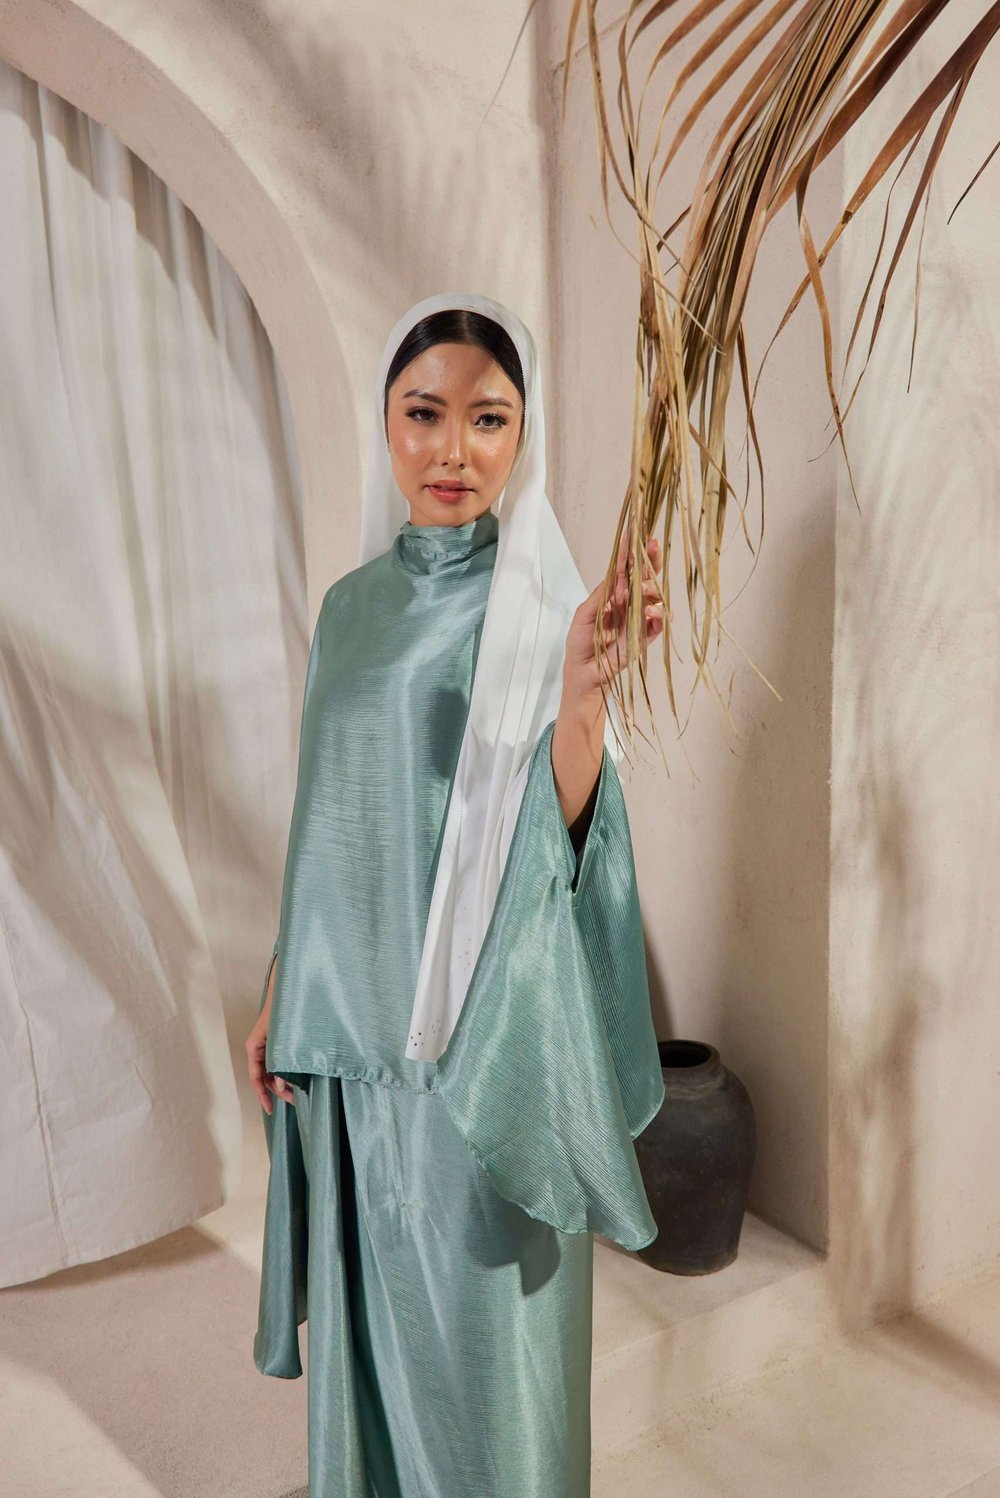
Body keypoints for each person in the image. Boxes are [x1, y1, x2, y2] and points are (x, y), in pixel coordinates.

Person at [246, 291, 666, 1498]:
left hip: (477, 1054)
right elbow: (326, 813)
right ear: (385, 421)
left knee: (493, 1368)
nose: (453, 450)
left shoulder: (543, 609)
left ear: (520, 434)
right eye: (423, 413)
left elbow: (563, 828)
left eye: (488, 419)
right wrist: (281, 985)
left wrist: (581, 698)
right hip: (349, 1052)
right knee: (374, 1359)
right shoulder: (348, 607)